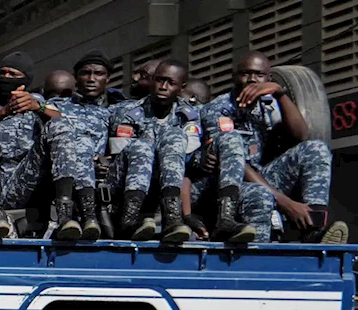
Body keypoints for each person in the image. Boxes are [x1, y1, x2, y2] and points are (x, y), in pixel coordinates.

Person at [201, 51, 348, 244]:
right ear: (235, 77)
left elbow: (301, 135)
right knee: (260, 193)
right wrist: (286, 203)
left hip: (263, 176)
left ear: (268, 78)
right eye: (245, 73)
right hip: (229, 186)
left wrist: (280, 93)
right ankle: (258, 256)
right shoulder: (217, 109)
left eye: (259, 75)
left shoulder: (270, 103)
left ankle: (314, 228)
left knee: (315, 149)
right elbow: (235, 163)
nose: (252, 80)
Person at [0, 51, 91, 240]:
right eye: (3, 72)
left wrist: (37, 108)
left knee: (60, 127)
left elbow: (64, 126)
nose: (6, 77)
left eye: (13, 74)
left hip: (23, 181)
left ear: (25, 80)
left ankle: (65, 214)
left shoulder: (38, 103)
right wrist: (3, 112)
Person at [109, 59, 202, 243]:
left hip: (166, 184)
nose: (163, 87)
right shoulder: (126, 111)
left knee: (175, 136)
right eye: (159, 80)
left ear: (181, 88)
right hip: (125, 184)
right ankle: (130, 219)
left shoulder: (189, 115)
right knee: (142, 146)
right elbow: (118, 154)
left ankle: (172, 217)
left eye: (171, 83)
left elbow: (192, 159)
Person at [48, 50, 121, 239]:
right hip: (64, 180)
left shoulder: (118, 110)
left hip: (105, 181)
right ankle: (84, 217)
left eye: (98, 74)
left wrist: (107, 163)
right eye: (85, 73)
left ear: (108, 79)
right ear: (75, 78)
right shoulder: (57, 107)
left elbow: (123, 148)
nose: (91, 78)